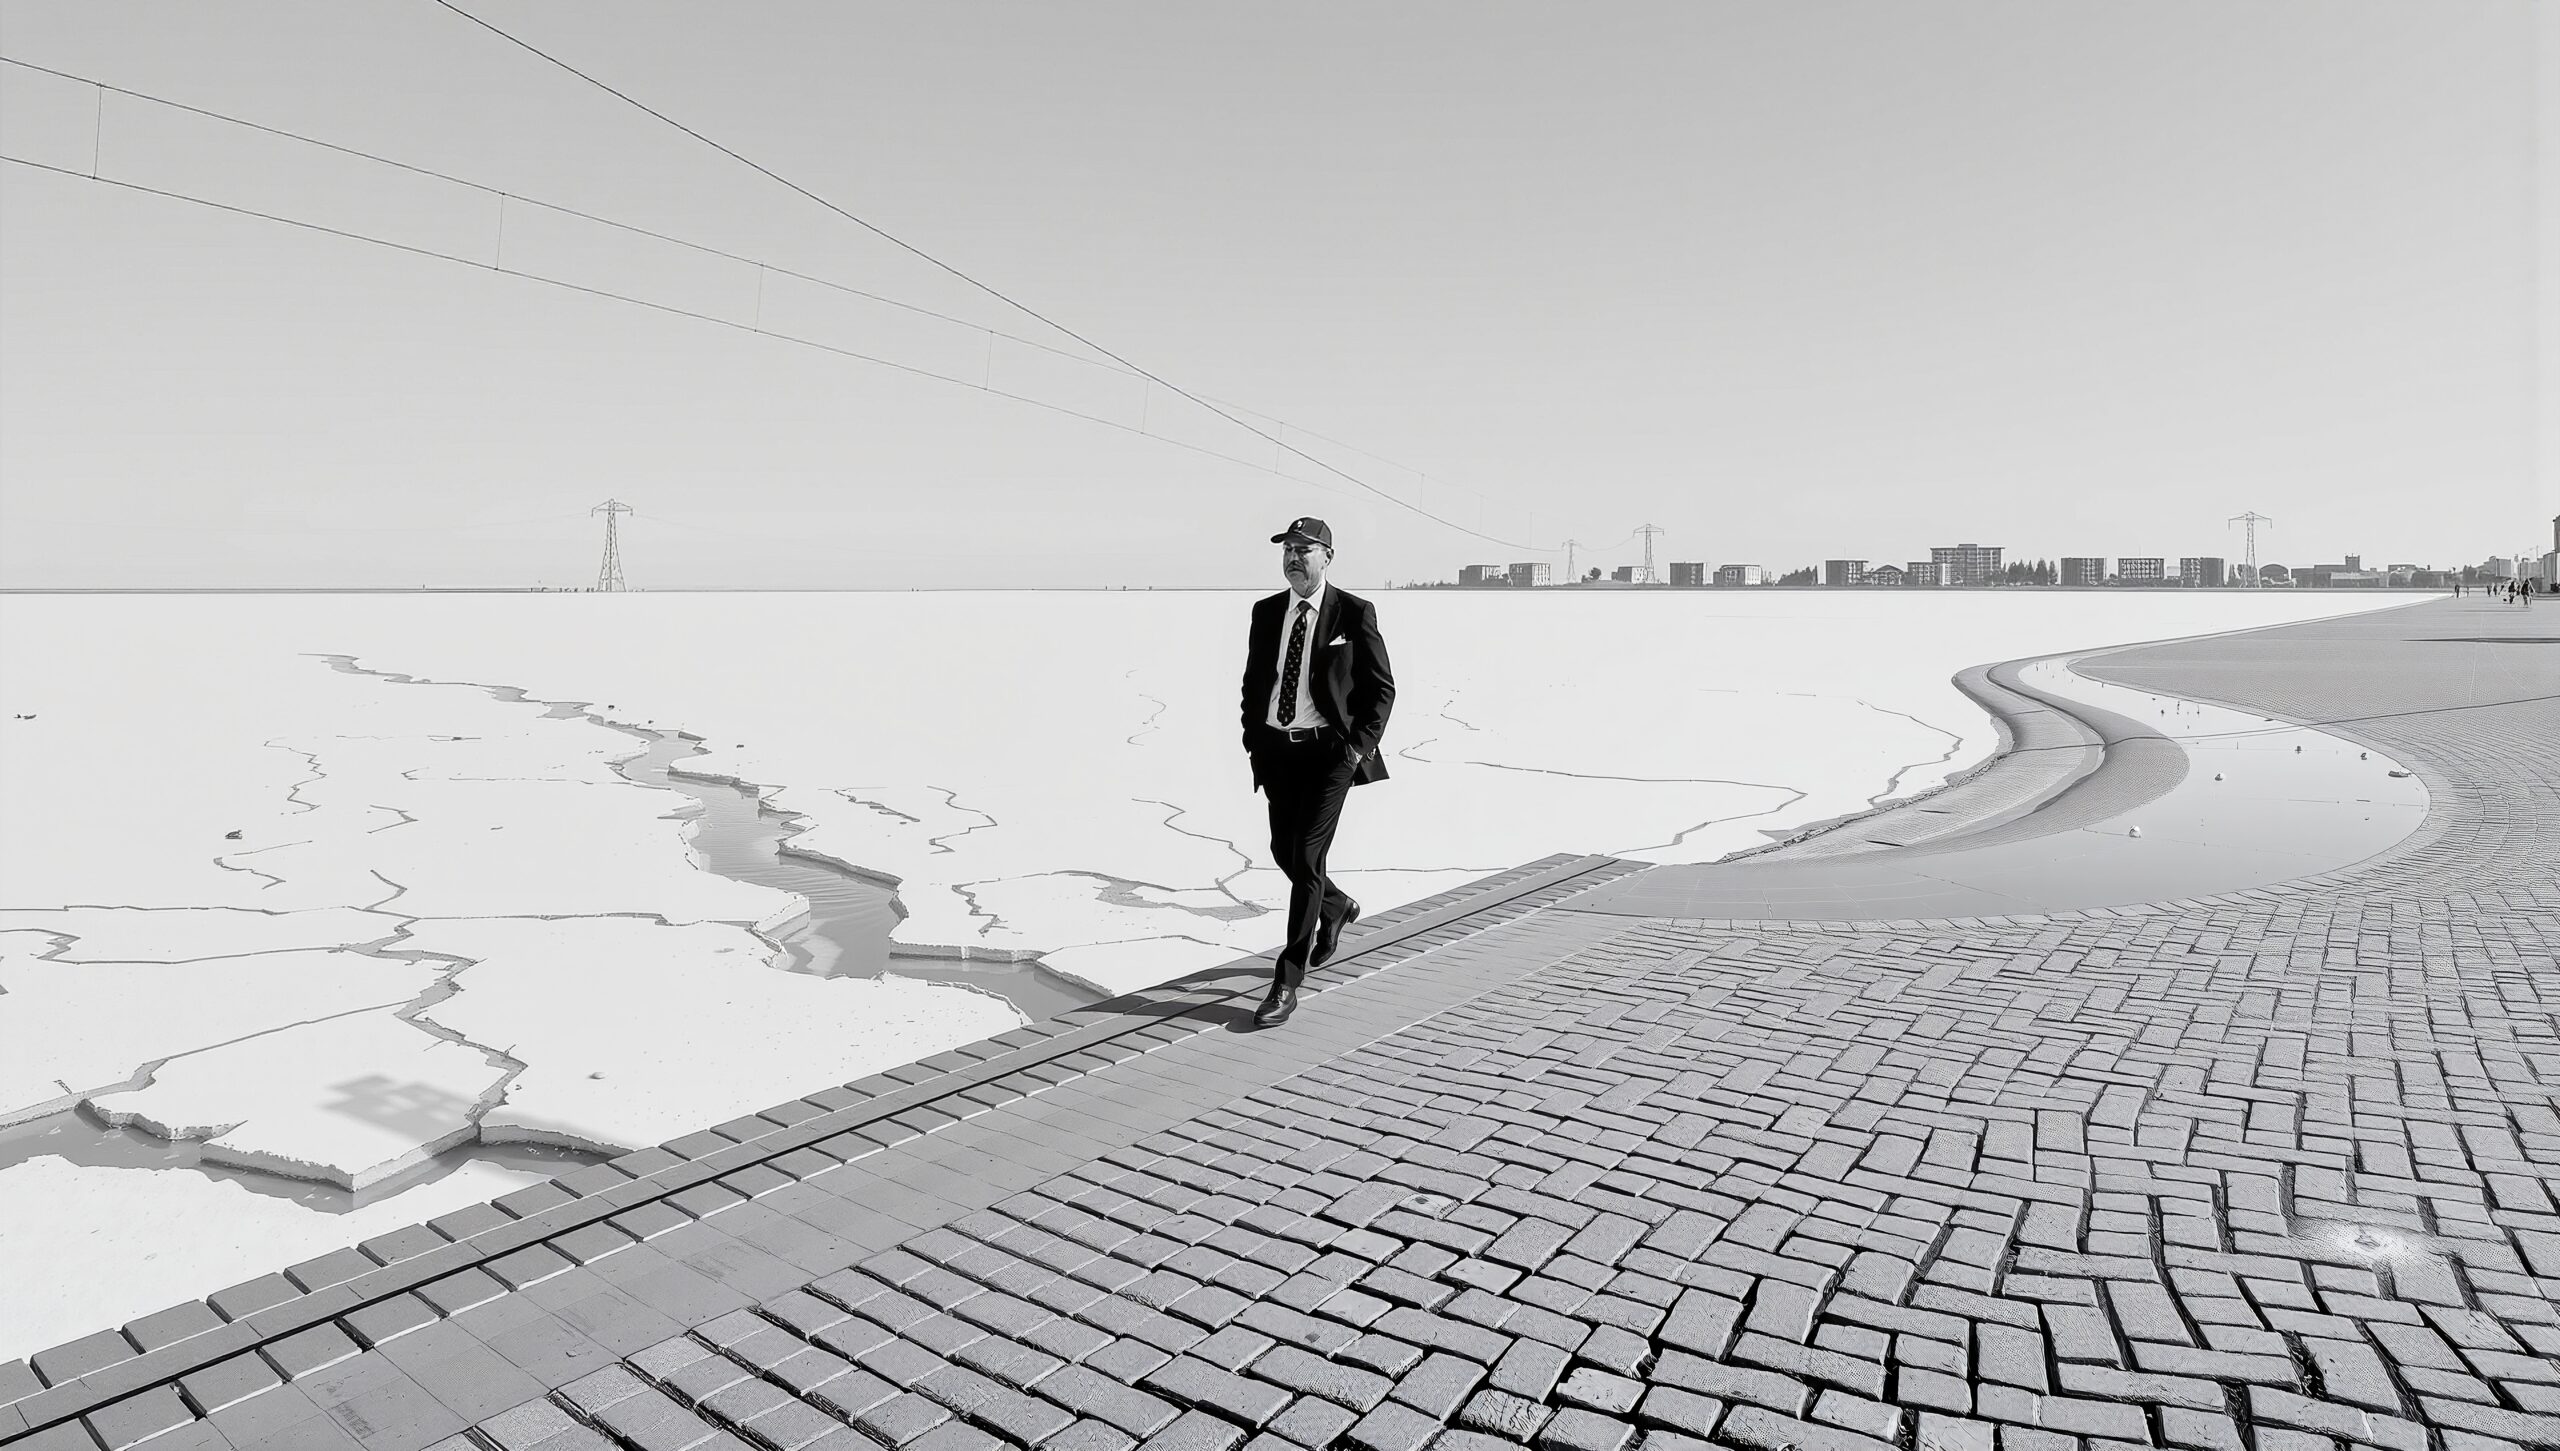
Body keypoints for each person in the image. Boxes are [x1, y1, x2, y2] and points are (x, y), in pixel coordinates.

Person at [1239, 517, 1396, 1028]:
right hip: (1278, 752)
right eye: (1288, 548)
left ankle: (1287, 979)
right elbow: (1254, 682)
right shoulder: (1266, 613)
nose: (1293, 557)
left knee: (1306, 858)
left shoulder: (1353, 612)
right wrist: (1252, 739)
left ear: (1328, 557)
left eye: (1305, 549)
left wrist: (1358, 749)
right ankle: (1336, 907)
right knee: (1283, 852)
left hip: (1330, 755)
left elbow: (1381, 688)